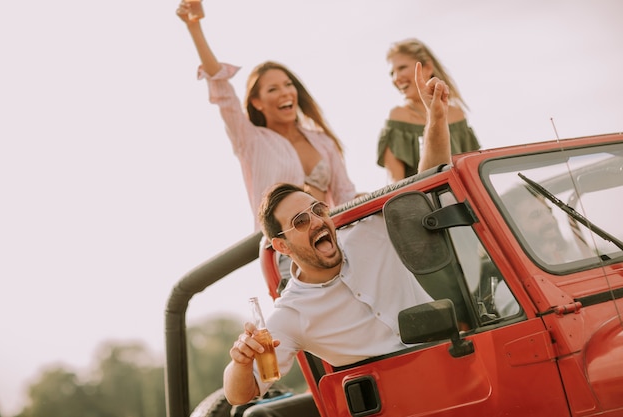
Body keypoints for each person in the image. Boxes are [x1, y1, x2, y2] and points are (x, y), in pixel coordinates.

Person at [223, 62, 452, 416]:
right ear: (281, 246)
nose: (316, 221)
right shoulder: (292, 314)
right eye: (301, 221)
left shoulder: (369, 232)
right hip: (392, 403)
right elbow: (242, 394)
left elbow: (425, 183)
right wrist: (239, 362)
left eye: (318, 210)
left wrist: (435, 117)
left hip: (452, 372)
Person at [176, 1, 357, 230]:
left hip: (327, 241)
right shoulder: (250, 141)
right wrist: (195, 28)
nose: (284, 93)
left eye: (288, 85)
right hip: (282, 253)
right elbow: (222, 91)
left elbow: (346, 197)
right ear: (257, 102)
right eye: (273, 89)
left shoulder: (323, 142)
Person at [377, 38, 480, 183]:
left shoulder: (457, 114)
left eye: (402, 68)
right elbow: (395, 185)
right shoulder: (398, 116)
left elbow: (472, 174)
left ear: (427, 68)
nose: (396, 78)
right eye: (392, 73)